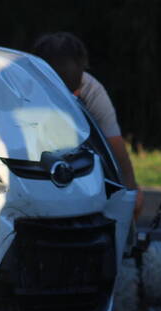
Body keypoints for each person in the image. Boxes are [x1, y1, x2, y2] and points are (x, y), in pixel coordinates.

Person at [33, 32, 145, 220]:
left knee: (131, 195)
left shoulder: (91, 89)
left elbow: (115, 146)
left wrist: (131, 192)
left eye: (73, 93)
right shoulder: (21, 88)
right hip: (36, 160)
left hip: (77, 159)